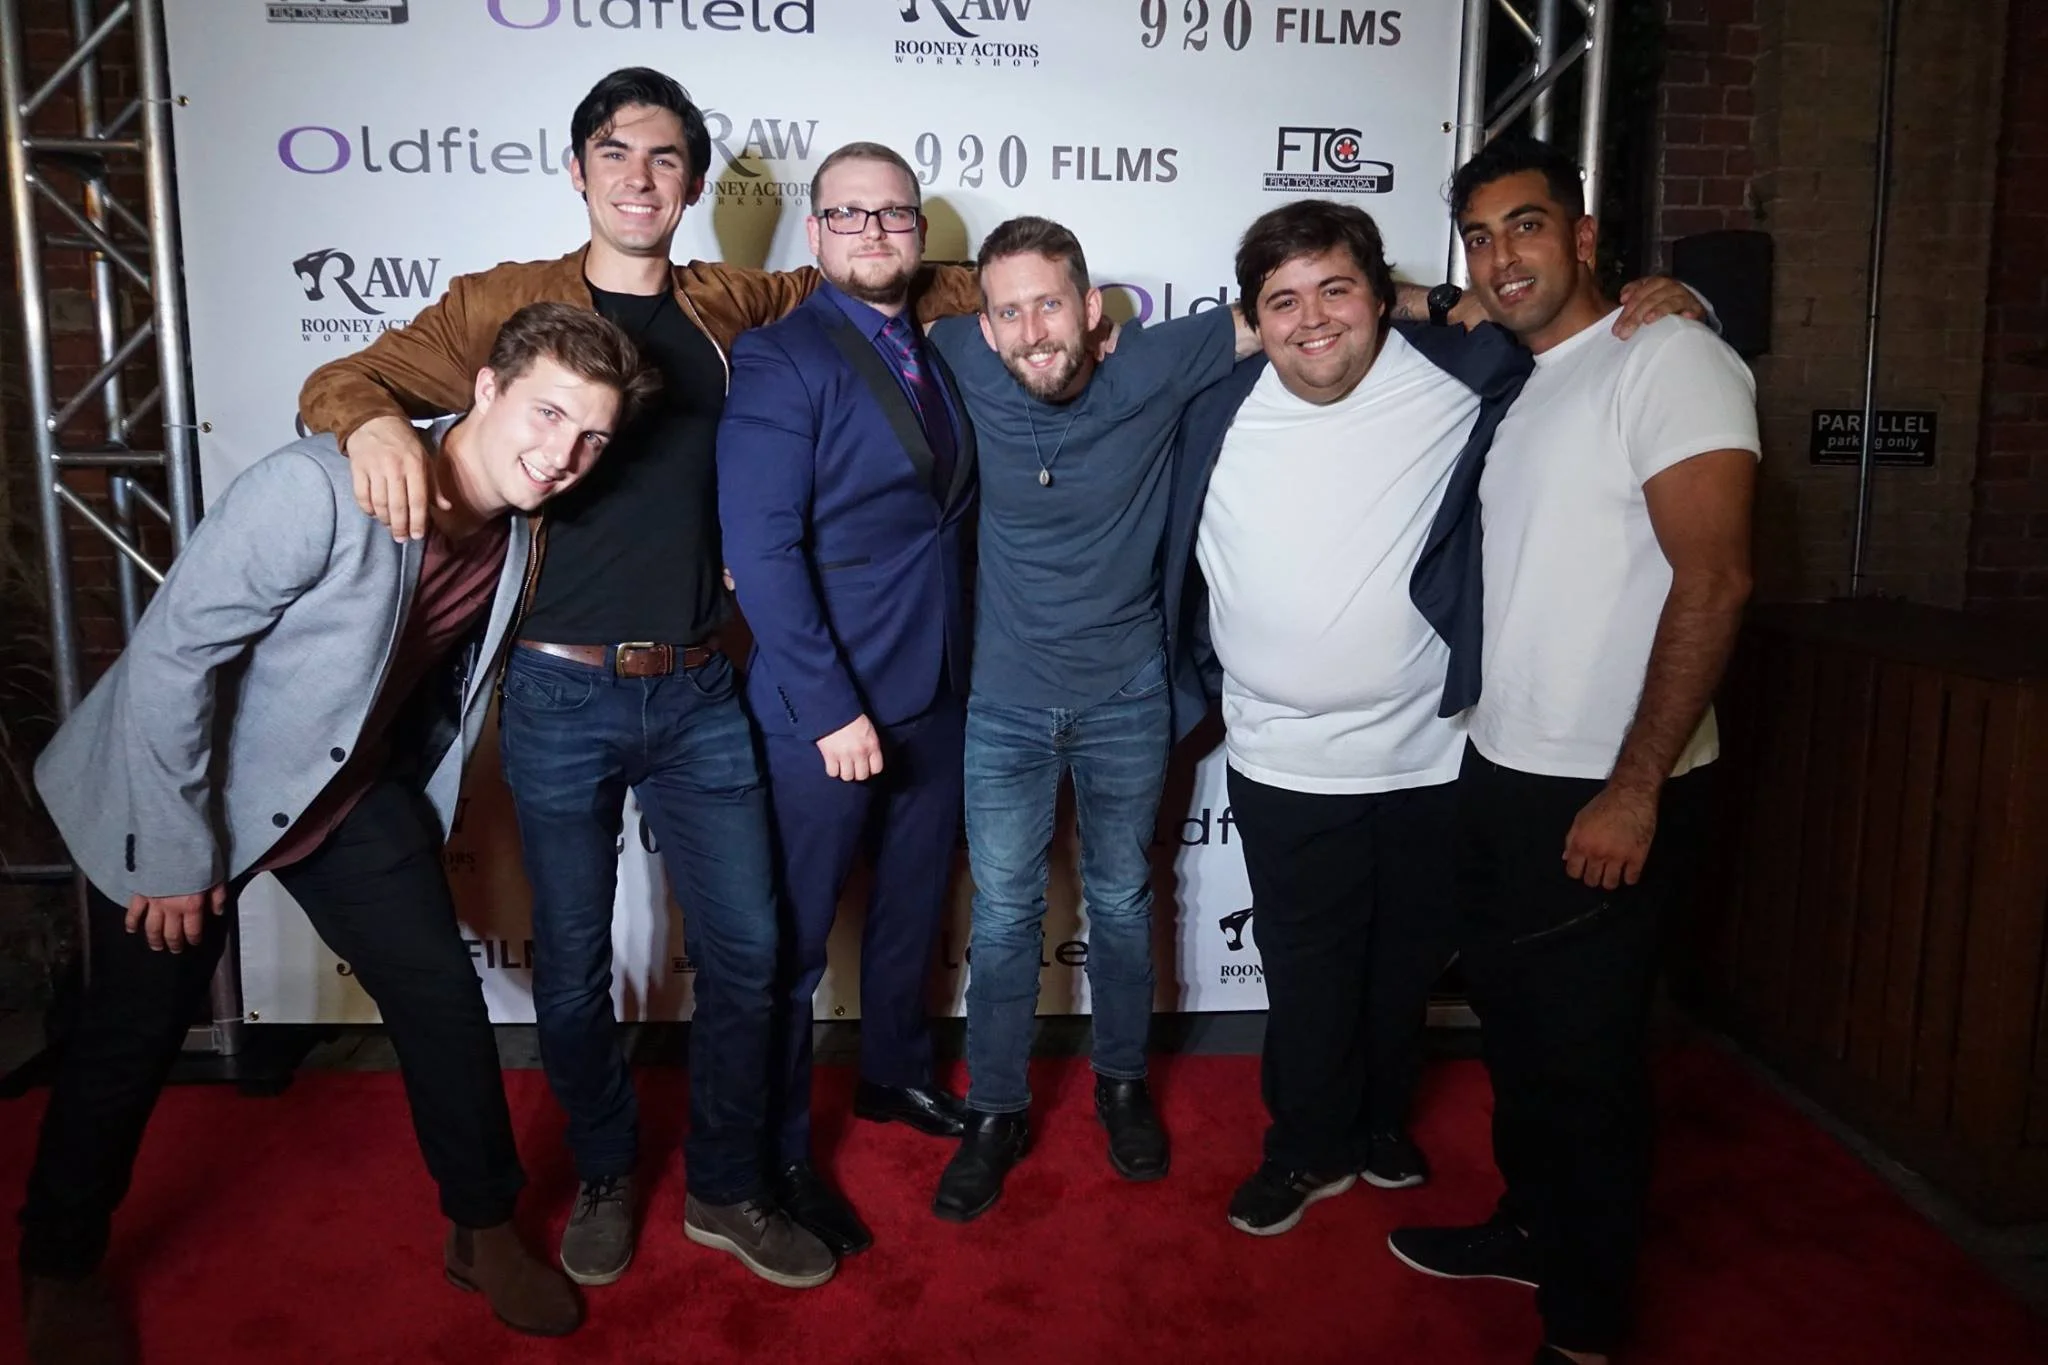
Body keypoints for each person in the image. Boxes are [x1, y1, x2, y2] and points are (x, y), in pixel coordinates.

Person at [298, 69, 979, 1290]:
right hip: (558, 692)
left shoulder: (736, 302)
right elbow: (344, 379)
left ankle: (723, 1185)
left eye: (665, 159)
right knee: (567, 956)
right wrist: (371, 426)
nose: (639, 177)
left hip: (702, 688)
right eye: (615, 152)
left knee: (749, 943)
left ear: (695, 183)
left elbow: (899, 274)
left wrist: (1052, 304)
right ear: (577, 169)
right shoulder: (501, 304)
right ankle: (608, 1169)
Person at [19, 303, 656, 1363]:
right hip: (189, 790)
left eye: (591, 437)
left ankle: (483, 1230)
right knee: (127, 1039)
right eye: (546, 414)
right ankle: (57, 1263)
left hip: (346, 795)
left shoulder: (528, 523)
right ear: (487, 393)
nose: (562, 455)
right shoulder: (317, 489)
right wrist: (179, 854)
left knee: (442, 1002)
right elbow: (173, 664)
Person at [1163, 203, 1705, 1240]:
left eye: (1336, 290)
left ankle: (1375, 1126)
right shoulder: (1208, 405)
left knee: (1403, 965)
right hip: (1279, 759)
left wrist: (1681, 305)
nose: (1311, 321)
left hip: (1431, 754)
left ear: (1379, 295)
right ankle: (1304, 1144)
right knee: (1307, 972)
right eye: (1283, 300)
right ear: (1251, 318)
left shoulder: (1464, 375)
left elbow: (1584, 345)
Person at [1386, 137, 1759, 1365]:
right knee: (1519, 1037)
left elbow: (1713, 580)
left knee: (1587, 1068)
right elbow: (1414, 296)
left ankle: (1586, 1330)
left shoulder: (1670, 358)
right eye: (1482, 236)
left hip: (1610, 783)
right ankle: (1532, 1226)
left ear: (1586, 234)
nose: (1502, 257)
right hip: (1503, 766)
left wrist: (1636, 787)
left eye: (1526, 227)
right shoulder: (1527, 370)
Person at [920, 217, 1262, 1222]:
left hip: (1125, 701)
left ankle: (1120, 1085)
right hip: (1001, 705)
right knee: (1003, 914)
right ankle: (994, 1110)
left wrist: (1440, 303)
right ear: (982, 326)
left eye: (1050, 303)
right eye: (1010, 309)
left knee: (1118, 902)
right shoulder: (956, 354)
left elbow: (1306, 305)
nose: (1032, 329)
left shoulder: (1154, 362)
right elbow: (844, 304)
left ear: (1093, 306)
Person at [716, 142, 978, 1258]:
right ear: (814, 234)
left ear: (918, 233)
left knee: (913, 912)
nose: (874, 233)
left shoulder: (945, 350)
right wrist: (830, 710)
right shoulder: (782, 358)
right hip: (825, 711)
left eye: (894, 216)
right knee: (785, 950)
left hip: (937, 692)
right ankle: (769, 1160)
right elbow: (761, 552)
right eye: (848, 216)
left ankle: (893, 1079)